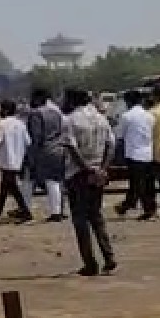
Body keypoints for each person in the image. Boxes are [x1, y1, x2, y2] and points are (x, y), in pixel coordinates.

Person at [61, 89, 117, 276]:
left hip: (79, 174)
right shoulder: (102, 118)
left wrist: (87, 169)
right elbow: (111, 145)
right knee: (96, 216)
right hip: (97, 171)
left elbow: (72, 148)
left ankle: (90, 263)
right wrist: (102, 169)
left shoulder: (70, 120)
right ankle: (109, 257)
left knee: (80, 220)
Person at [113, 89, 157, 220]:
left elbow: (119, 135)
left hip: (134, 154)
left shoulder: (127, 116)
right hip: (148, 153)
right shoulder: (150, 116)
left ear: (128, 102)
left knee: (138, 184)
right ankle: (128, 205)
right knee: (146, 183)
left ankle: (147, 209)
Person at [26, 88, 67, 222]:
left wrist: (32, 155)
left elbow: (36, 137)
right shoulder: (57, 111)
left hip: (44, 150)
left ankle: (55, 212)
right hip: (59, 149)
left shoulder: (36, 114)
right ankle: (59, 210)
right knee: (56, 181)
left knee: (46, 181)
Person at [0, 100, 33, 223]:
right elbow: (28, 142)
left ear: (6, 110)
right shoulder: (21, 124)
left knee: (10, 187)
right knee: (7, 187)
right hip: (18, 160)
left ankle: (26, 212)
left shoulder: (1, 124)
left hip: (6, 159)